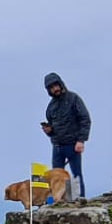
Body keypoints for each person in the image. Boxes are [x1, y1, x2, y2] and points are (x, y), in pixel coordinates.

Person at [41, 72, 92, 200]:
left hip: (73, 144)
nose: (55, 89)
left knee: (75, 176)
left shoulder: (74, 99)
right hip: (57, 146)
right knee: (56, 177)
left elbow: (85, 120)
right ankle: (60, 202)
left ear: (61, 84)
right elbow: (53, 129)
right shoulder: (50, 107)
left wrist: (81, 140)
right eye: (51, 88)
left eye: (56, 86)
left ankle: (79, 202)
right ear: (48, 90)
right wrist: (49, 131)